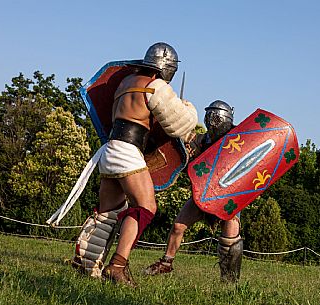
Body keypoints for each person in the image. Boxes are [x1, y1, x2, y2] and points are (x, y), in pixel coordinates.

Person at [71, 42, 198, 287]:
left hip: (109, 150)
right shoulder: (155, 86)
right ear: (167, 68)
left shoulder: (124, 83)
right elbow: (180, 125)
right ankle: (117, 266)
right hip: (128, 152)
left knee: (108, 212)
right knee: (146, 207)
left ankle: (86, 264)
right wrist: (188, 107)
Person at [144, 100, 243, 283]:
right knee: (178, 227)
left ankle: (229, 280)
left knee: (230, 240)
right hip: (203, 194)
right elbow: (183, 146)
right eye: (209, 117)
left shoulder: (239, 139)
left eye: (214, 117)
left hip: (227, 197)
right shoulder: (200, 140)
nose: (211, 121)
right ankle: (166, 263)